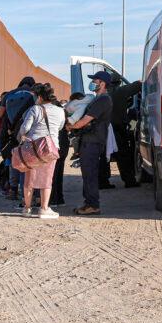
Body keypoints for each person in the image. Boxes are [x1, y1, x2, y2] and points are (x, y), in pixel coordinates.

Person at [16, 83, 66, 218]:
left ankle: (27, 208)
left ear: (39, 97)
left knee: (29, 178)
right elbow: (60, 127)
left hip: (33, 148)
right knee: (47, 178)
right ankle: (44, 209)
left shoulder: (35, 109)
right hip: (50, 147)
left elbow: (24, 128)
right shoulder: (60, 111)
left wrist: (23, 136)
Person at [68, 71, 114, 216]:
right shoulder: (97, 99)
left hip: (93, 141)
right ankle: (89, 203)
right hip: (89, 140)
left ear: (103, 83)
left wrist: (70, 126)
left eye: (96, 80)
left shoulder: (103, 100)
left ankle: (93, 205)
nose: (93, 82)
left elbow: (86, 120)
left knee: (90, 174)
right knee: (88, 174)